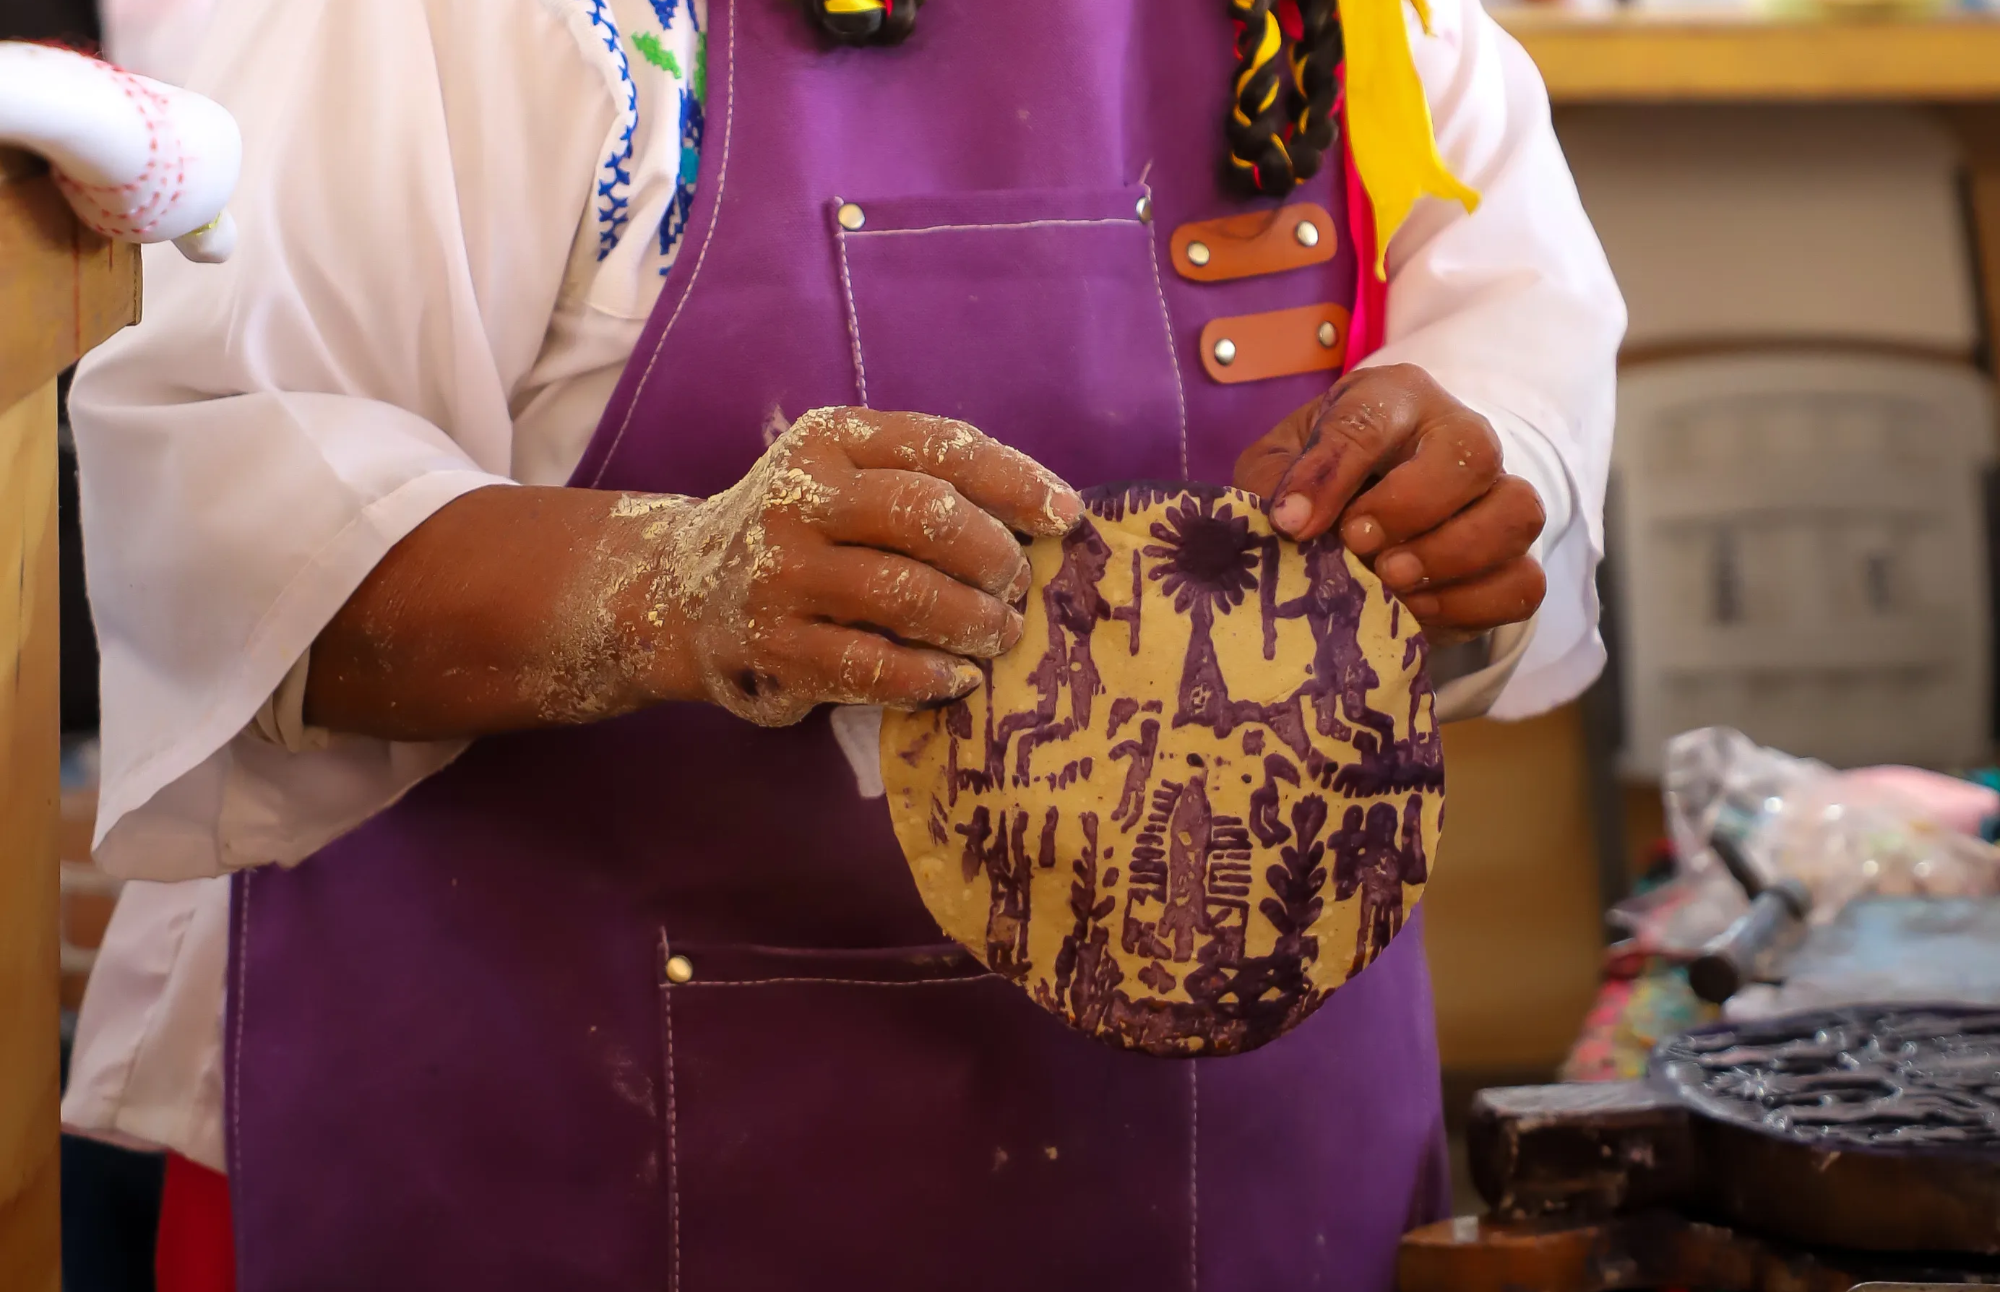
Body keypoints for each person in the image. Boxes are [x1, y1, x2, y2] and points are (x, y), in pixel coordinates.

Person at [65, 0, 1622, 1286]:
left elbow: (1511, 328)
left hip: (1264, 1188)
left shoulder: (1347, 24)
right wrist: (671, 583)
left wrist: (1492, 483)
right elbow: (232, 521)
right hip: (575, 1159)